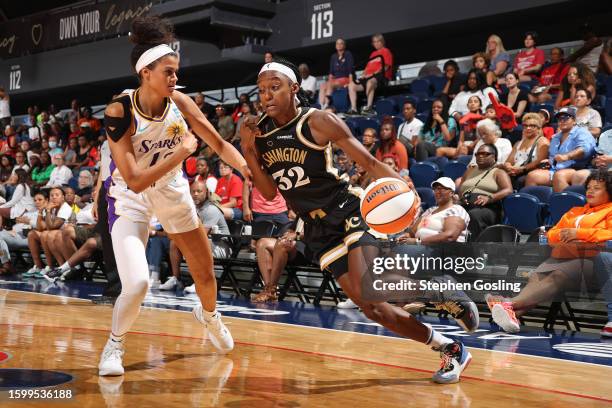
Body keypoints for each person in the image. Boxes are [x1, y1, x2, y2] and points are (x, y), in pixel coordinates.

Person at [240, 58, 479, 384]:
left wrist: (406, 193)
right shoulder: (260, 134)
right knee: (374, 309)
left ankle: (441, 290)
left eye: (275, 87)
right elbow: (269, 192)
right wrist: (249, 151)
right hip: (315, 229)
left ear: (294, 89)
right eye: (262, 90)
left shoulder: (318, 121)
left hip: (348, 209)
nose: (266, 96)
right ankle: (450, 348)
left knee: (372, 286)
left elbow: (367, 161)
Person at [97, 16, 248, 376]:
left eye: (176, 71)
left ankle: (209, 316)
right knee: (138, 283)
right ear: (146, 72)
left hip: (172, 192)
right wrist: (181, 153)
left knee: (206, 277)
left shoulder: (179, 102)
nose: (175, 78)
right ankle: (114, 346)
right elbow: (133, 180)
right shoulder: (120, 110)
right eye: (168, 71)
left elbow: (221, 144)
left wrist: (250, 171)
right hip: (130, 198)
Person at [487, 170, 612, 333]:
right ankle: (513, 314)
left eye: (597, 188)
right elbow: (552, 233)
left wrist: (579, 234)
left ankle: (510, 304)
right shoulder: (575, 211)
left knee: (558, 275)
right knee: (536, 277)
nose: (590, 191)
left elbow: (609, 235)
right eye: (588, 187)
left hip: (593, 262)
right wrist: (566, 237)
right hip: (565, 254)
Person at [163, 180, 232, 292]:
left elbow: (202, 235)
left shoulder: (211, 209)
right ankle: (176, 278)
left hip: (221, 246)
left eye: (199, 191)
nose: (195, 194)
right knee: (174, 243)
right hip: (205, 243)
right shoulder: (192, 209)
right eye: (193, 191)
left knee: (199, 245)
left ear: (206, 193)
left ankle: (200, 283)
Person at [525, 107, 596, 192]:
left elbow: (584, 149)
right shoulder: (556, 137)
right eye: (559, 119)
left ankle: (564, 203)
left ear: (574, 121)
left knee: (559, 176)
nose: (562, 121)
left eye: (566, 118)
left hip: (577, 169)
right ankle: (534, 204)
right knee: (531, 176)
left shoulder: (581, 132)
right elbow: (554, 156)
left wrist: (567, 156)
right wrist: (549, 161)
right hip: (555, 170)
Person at [458, 144, 513, 239]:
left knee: (474, 214)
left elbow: (508, 190)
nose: (480, 156)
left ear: (494, 156)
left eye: (485, 154)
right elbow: (461, 187)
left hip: (488, 208)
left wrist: (490, 198)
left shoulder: (498, 172)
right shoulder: (470, 170)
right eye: (478, 154)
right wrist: (460, 198)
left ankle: (476, 248)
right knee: (450, 212)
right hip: (467, 205)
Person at [398, 177, 470, 244]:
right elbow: (411, 233)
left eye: (440, 189)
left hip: (443, 253)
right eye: (435, 189)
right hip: (420, 251)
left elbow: (450, 236)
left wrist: (417, 242)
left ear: (451, 193)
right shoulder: (430, 210)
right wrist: (405, 237)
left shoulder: (456, 209)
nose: (437, 192)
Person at [22, 187, 73, 278]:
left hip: (65, 237)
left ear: (63, 197)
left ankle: (55, 267)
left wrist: (48, 210)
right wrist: (41, 212)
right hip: (53, 235)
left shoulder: (65, 208)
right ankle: (38, 266)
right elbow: (40, 227)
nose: (54, 197)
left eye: (57, 195)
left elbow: (52, 227)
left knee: (46, 234)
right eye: (52, 195)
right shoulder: (53, 208)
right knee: (32, 234)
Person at [347, 33, 393, 115]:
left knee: (370, 82)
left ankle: (369, 108)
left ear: (382, 42)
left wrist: (373, 74)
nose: (376, 43)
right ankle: (354, 109)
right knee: (351, 85)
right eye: (374, 42)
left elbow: (386, 67)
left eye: (378, 41)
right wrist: (363, 74)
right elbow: (367, 68)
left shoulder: (386, 51)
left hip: (380, 77)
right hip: (369, 77)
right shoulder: (373, 54)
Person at [501, 113, 550, 189]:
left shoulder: (542, 141)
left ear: (538, 128)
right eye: (525, 126)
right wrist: (508, 166)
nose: (528, 128)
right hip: (515, 171)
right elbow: (509, 161)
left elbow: (540, 160)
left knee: (519, 180)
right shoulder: (518, 143)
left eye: (532, 126)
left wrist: (522, 169)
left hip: (530, 172)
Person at [319, 38, 354, 109]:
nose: (339, 45)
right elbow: (331, 73)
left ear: (344, 45)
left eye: (341, 43)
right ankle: (321, 105)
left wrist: (350, 83)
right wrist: (329, 81)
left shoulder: (348, 54)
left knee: (330, 84)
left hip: (345, 79)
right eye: (337, 43)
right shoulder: (333, 56)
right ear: (335, 46)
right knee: (322, 85)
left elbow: (351, 70)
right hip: (335, 80)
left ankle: (326, 104)